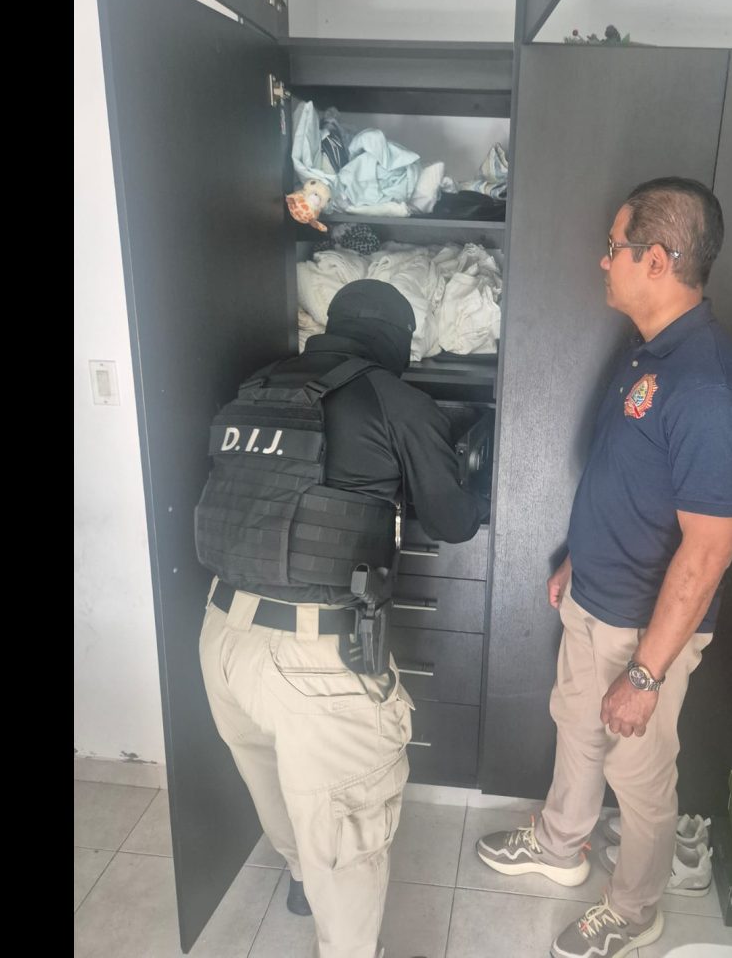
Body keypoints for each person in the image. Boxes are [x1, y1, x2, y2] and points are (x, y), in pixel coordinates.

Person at [473, 177, 732, 958]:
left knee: (640, 778)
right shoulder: (650, 351)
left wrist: (645, 674)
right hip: (595, 597)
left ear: (657, 260)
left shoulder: (709, 387)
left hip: (644, 632)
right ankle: (560, 843)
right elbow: (629, 479)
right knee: (576, 729)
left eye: (614, 248)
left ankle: (635, 909)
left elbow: (709, 550)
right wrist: (578, 557)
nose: (603, 261)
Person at [196, 278, 488, 958]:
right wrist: (468, 469)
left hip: (222, 637)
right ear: (398, 342)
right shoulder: (395, 399)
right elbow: (453, 520)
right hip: (313, 661)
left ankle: (301, 881)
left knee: (276, 783)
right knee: (347, 832)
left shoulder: (257, 388)